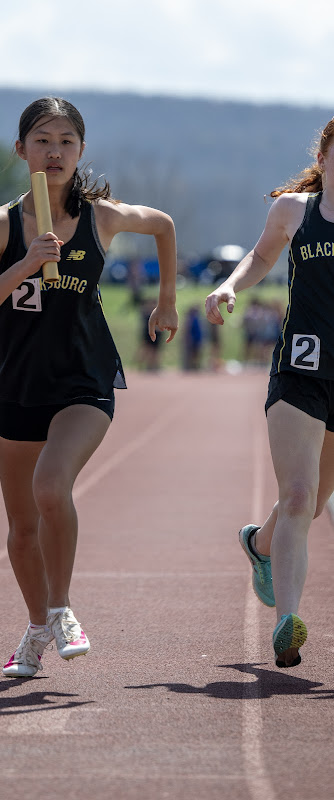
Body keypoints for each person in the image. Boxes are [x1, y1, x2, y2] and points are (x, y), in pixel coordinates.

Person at [0, 97, 178, 678]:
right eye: (42, 140)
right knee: (22, 527)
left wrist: (166, 302)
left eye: (66, 142)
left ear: (81, 152)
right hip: (18, 383)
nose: (54, 152)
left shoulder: (99, 216)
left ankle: (63, 609)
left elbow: (164, 225)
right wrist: (25, 264)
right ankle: (36, 630)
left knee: (51, 487)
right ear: (21, 150)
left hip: (85, 380)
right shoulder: (0, 225)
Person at [205, 117, 334, 669]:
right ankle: (287, 623)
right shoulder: (294, 212)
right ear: (323, 158)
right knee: (302, 496)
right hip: (300, 373)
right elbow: (260, 258)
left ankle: (259, 543)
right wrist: (229, 285)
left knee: (313, 501)